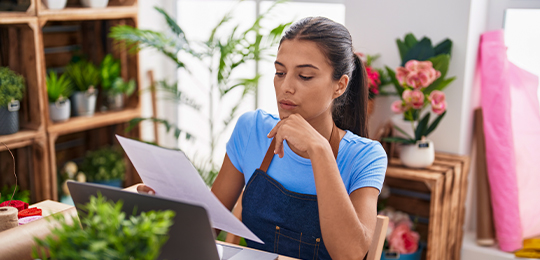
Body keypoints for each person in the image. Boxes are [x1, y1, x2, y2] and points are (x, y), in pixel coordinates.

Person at [139, 17, 387, 260]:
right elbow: (209, 226)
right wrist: (167, 213)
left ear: (340, 85)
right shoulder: (252, 130)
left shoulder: (365, 156)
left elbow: (350, 255)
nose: (286, 87)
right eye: (280, 72)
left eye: (305, 76)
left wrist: (319, 150)